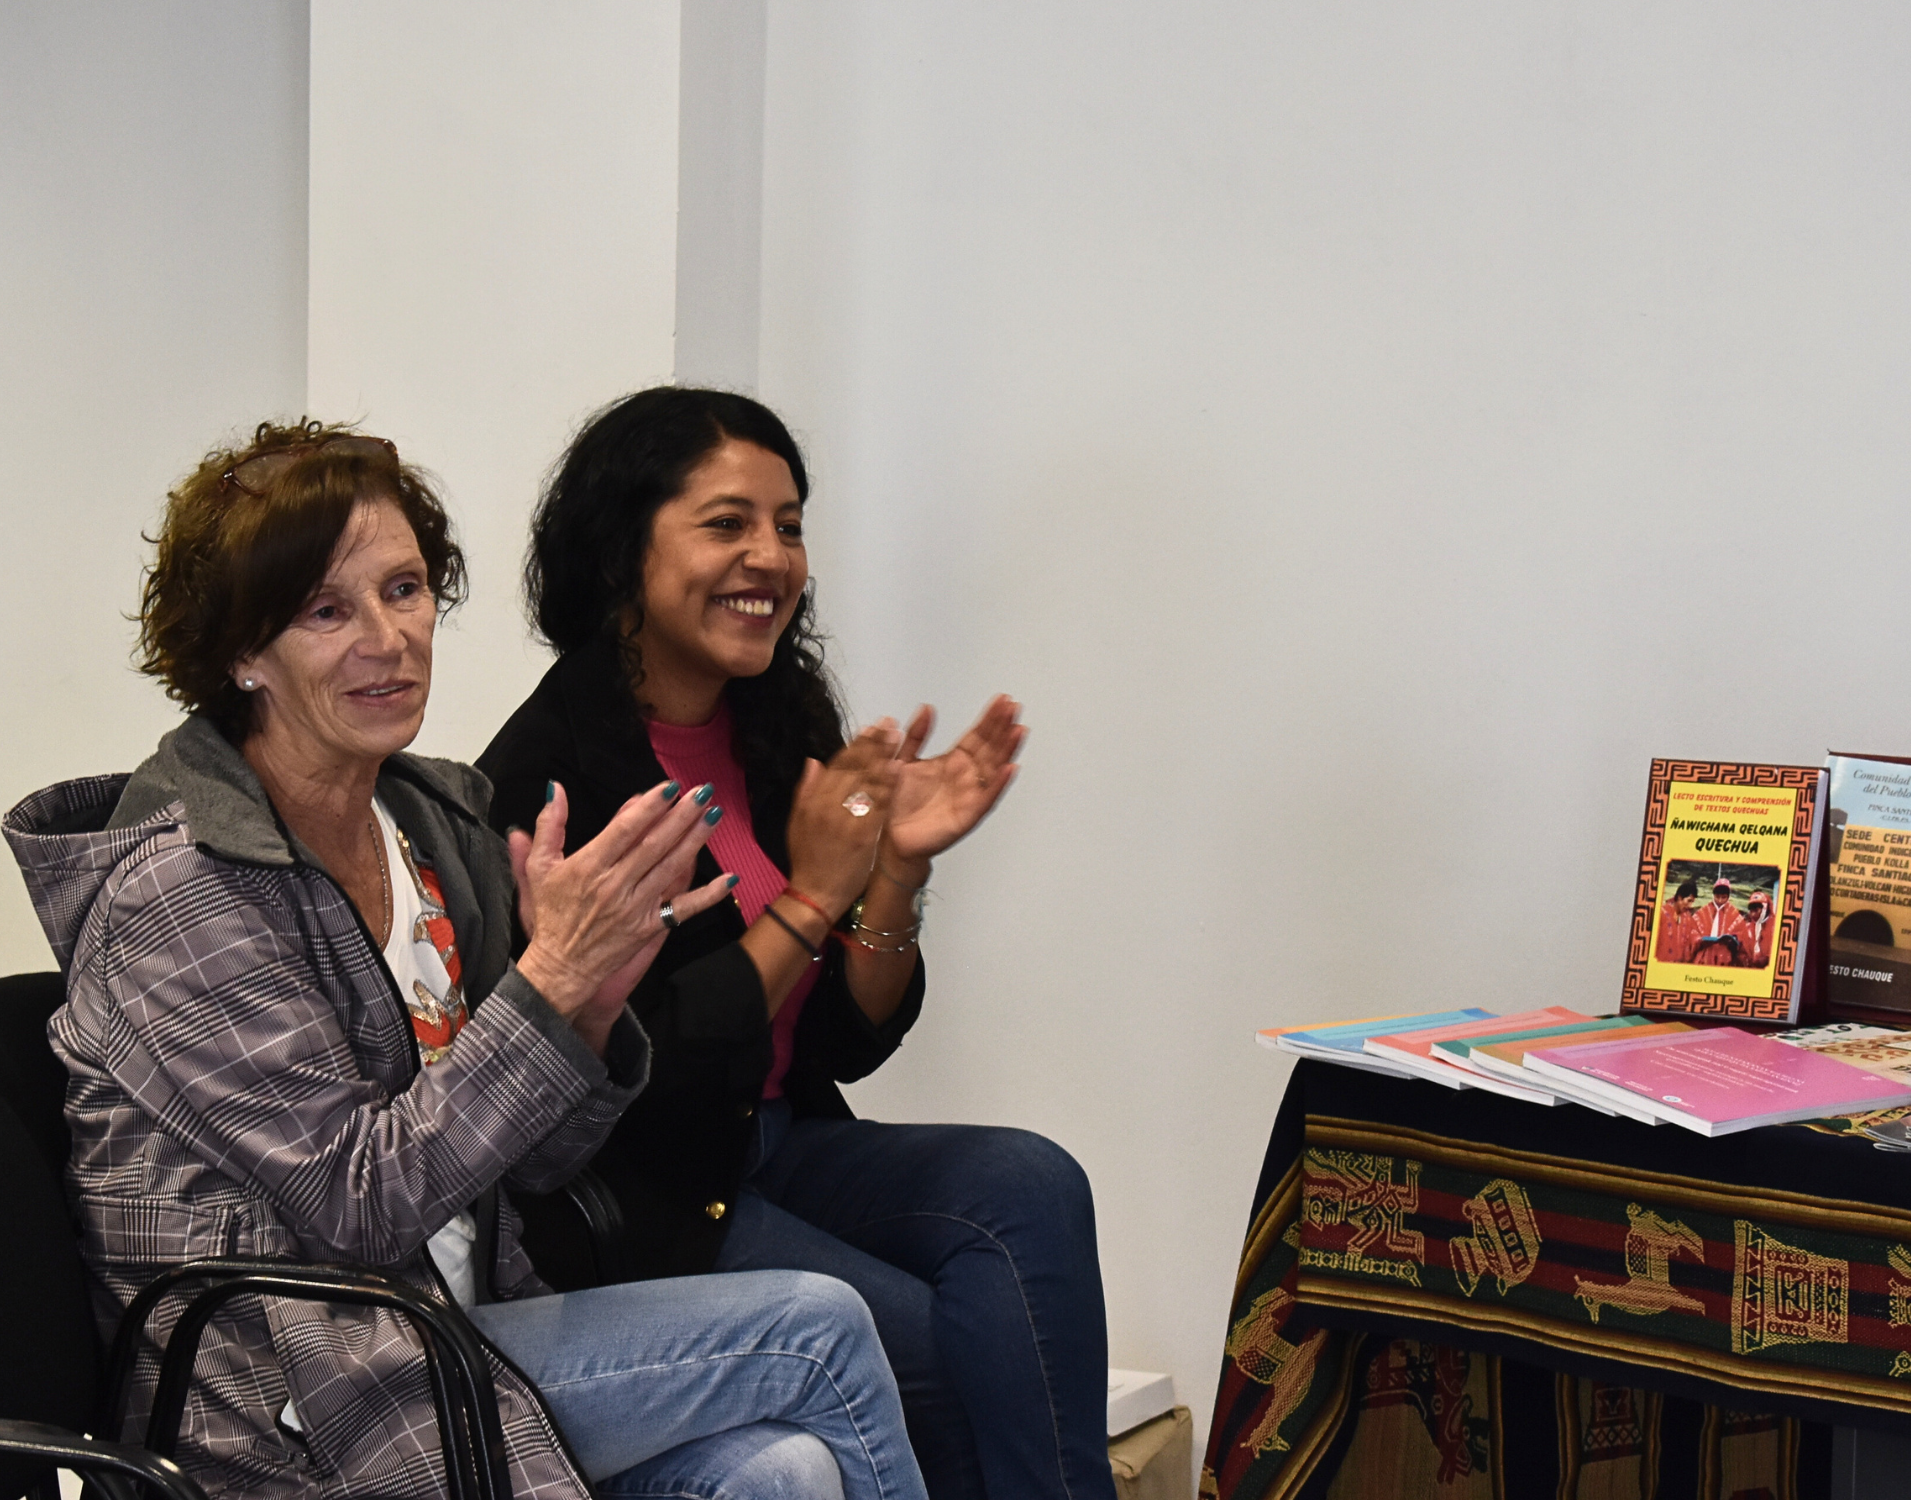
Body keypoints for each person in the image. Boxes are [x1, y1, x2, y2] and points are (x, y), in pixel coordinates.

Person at [1, 423, 927, 1500]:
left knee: (780, 1469)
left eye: (404, 590)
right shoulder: (176, 890)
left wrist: (590, 1008)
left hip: (455, 1327)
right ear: (241, 653)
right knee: (815, 1327)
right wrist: (548, 986)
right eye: (325, 610)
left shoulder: (430, 823)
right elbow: (359, 1206)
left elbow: (535, 1164)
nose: (388, 637)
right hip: (293, 1402)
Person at [477, 386, 1115, 1500]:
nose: (770, 558)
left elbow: (841, 1043)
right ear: (624, 548)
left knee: (1030, 1184)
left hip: (779, 1140)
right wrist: (812, 900)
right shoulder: (547, 775)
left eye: (788, 525)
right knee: (934, 1341)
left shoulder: (779, 723)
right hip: (645, 1190)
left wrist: (896, 871)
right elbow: (643, 1078)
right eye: (727, 523)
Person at [1691, 876, 1749, 966]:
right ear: (1713, 895)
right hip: (1704, 957)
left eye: (1723, 897)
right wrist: (1699, 940)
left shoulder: (1735, 915)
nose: (1720, 900)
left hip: (1725, 959)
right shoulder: (1702, 912)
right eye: (1717, 897)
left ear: (1728, 897)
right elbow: (1692, 931)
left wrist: (1733, 940)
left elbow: (1742, 937)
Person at [1655, 878, 1701, 964]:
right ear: (1679, 897)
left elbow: (1694, 936)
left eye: (1692, 902)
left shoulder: (1687, 918)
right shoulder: (1661, 913)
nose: (1690, 905)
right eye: (1689, 901)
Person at [1740, 888, 1775, 968]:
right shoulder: (1747, 928)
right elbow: (1742, 952)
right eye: (1751, 908)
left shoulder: (1775, 927)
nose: (1753, 912)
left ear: (1765, 908)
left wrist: (1768, 958)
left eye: (1756, 908)